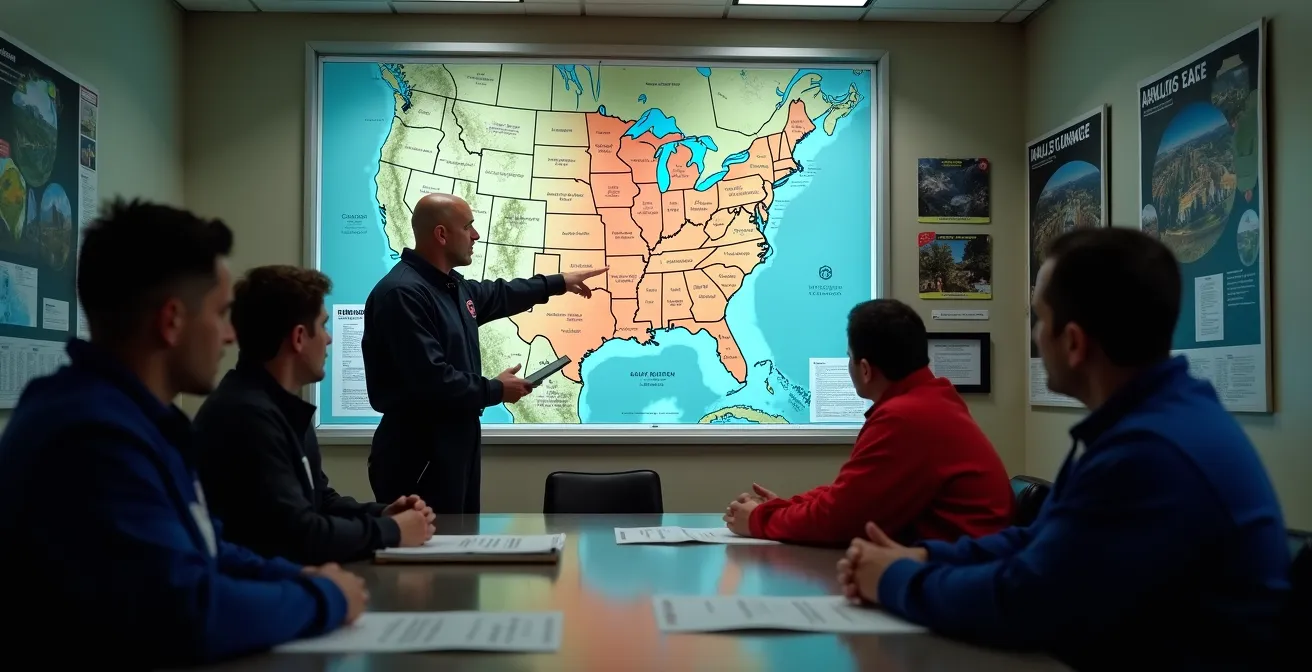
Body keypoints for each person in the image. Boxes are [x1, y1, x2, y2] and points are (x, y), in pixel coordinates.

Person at [838, 227, 1290, 670]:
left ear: (1073, 342)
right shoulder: (1151, 424)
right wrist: (923, 557)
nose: (1035, 336)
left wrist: (893, 578)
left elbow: (1025, 602)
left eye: (1039, 319)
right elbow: (1037, 542)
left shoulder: (1151, 452)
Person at [0, 200, 367, 666]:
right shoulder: (91, 436)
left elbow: (206, 549)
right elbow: (188, 613)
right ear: (172, 321)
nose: (231, 337)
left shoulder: (136, 420)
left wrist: (300, 578)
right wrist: (322, 599)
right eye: (220, 314)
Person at [363, 192, 606, 514]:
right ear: (441, 234)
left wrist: (556, 283)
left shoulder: (448, 287)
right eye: (468, 227)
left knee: (458, 539)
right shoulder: (404, 293)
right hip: (419, 447)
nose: (476, 235)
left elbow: (497, 294)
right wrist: (495, 390)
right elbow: (431, 379)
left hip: (452, 440)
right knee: (425, 549)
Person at [194, 265, 436, 566]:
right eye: (322, 326)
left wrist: (382, 514)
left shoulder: (279, 407)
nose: (329, 338)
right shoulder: (246, 418)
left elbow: (319, 500)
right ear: (298, 338)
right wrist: (391, 531)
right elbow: (301, 535)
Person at [723, 299, 1013, 546]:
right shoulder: (931, 400)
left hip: (958, 578)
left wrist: (760, 519)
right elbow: (853, 493)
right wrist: (785, 508)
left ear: (864, 369)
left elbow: (840, 520)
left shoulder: (905, 417)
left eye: (849, 357)